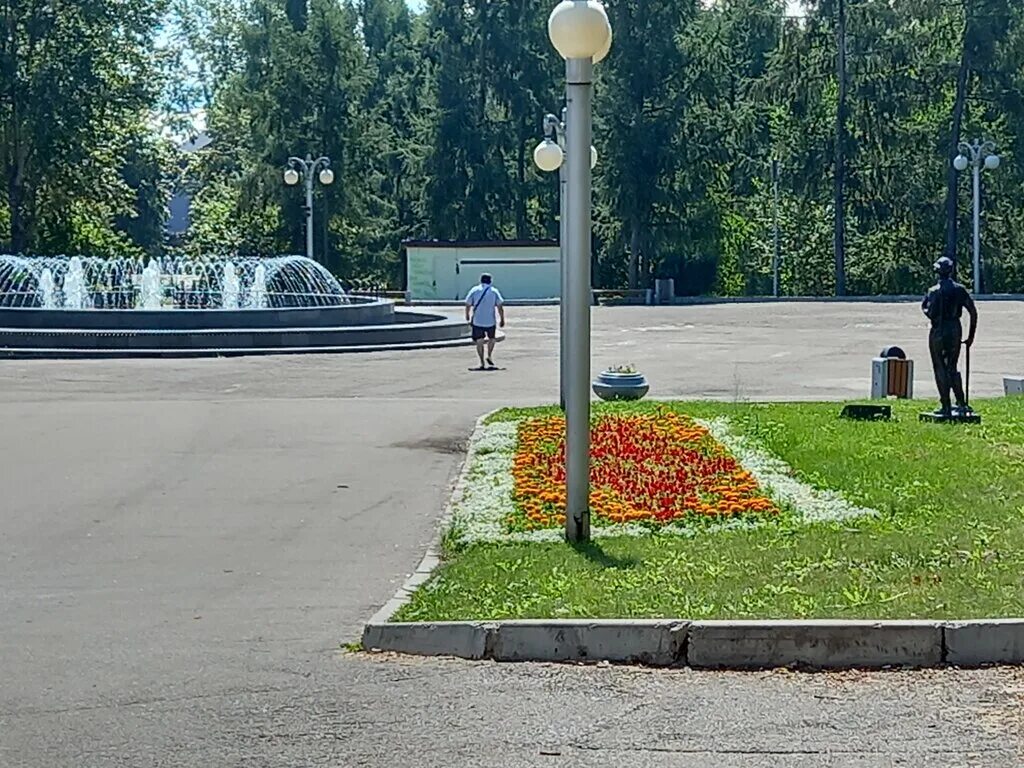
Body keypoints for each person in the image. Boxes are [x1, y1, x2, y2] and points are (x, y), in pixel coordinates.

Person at [922, 256, 978, 417]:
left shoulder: (933, 291)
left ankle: (946, 404)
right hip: (954, 329)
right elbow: (973, 312)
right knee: (952, 367)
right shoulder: (959, 290)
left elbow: (930, 312)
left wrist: (925, 306)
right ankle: (961, 402)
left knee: (939, 366)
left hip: (939, 330)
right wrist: (970, 336)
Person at [464, 273, 505, 370]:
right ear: (490, 281)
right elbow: (500, 306)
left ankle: (482, 362)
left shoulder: (474, 290)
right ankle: (489, 355)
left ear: (481, 280)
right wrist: (502, 319)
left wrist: (467, 315)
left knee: (479, 341)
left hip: (478, 320)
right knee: (492, 338)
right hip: (490, 320)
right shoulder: (494, 291)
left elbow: (468, 304)